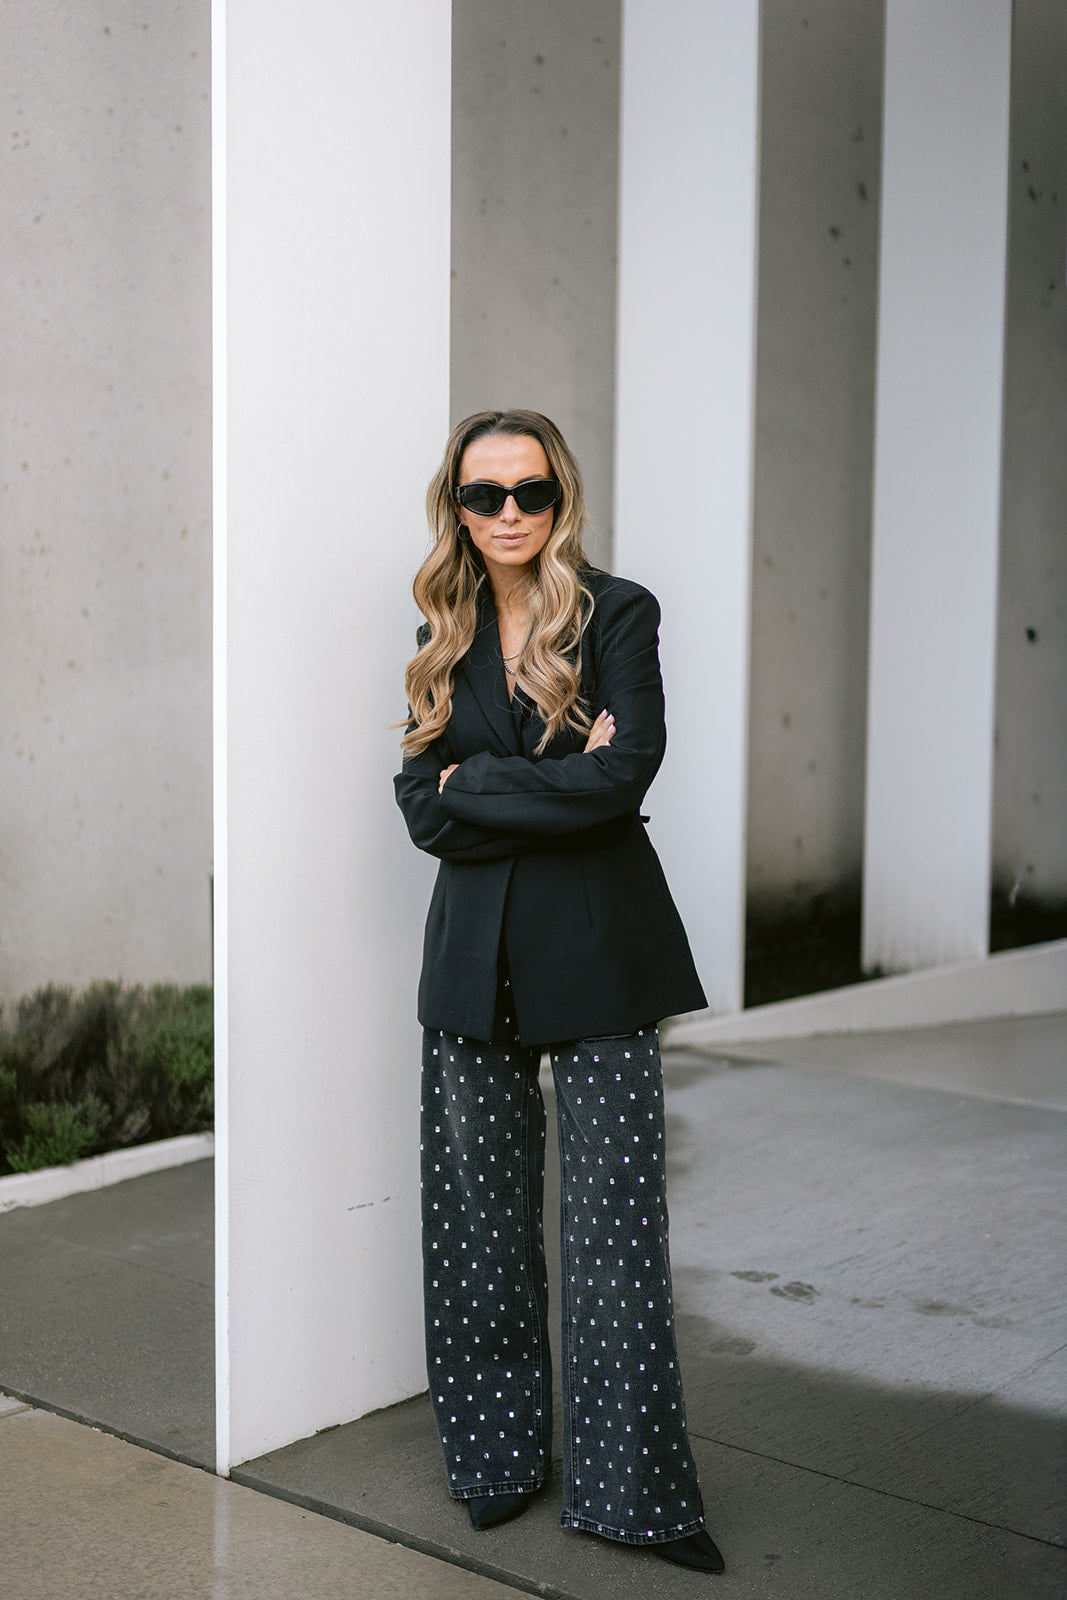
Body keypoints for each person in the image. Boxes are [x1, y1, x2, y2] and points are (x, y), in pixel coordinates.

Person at [394, 409, 724, 1575]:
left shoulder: (616, 612)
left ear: (558, 496)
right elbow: (419, 809)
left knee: (613, 1237)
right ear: (456, 505)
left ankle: (635, 1496)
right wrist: (544, 780)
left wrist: (474, 781)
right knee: (477, 1229)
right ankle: (495, 1459)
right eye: (482, 494)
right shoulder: (440, 627)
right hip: (470, 959)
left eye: (527, 491)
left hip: (596, 950)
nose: (507, 514)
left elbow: (623, 776)